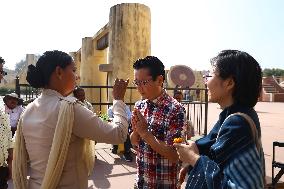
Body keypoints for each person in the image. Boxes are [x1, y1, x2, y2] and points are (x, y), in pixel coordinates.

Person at [12, 50, 129, 189]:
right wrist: (118, 100)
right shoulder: (69, 109)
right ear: (59, 72)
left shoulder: (29, 110)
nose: (77, 76)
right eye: (73, 70)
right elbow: (119, 134)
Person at [174, 50, 265, 189]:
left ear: (229, 83)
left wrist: (193, 158)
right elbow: (212, 146)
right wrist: (194, 157)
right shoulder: (235, 114)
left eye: (209, 75)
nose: (206, 81)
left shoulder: (237, 123)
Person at [130, 56, 185, 188]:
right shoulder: (140, 105)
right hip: (142, 182)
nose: (139, 88)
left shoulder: (175, 110)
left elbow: (175, 155)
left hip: (163, 184)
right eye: (136, 82)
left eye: (143, 82)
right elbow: (134, 142)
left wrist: (144, 133)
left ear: (159, 80)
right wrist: (135, 133)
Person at [0, 56, 13, 189]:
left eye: (2, 72)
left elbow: (6, 133)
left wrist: (10, 163)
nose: (1, 76)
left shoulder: (0, 102)